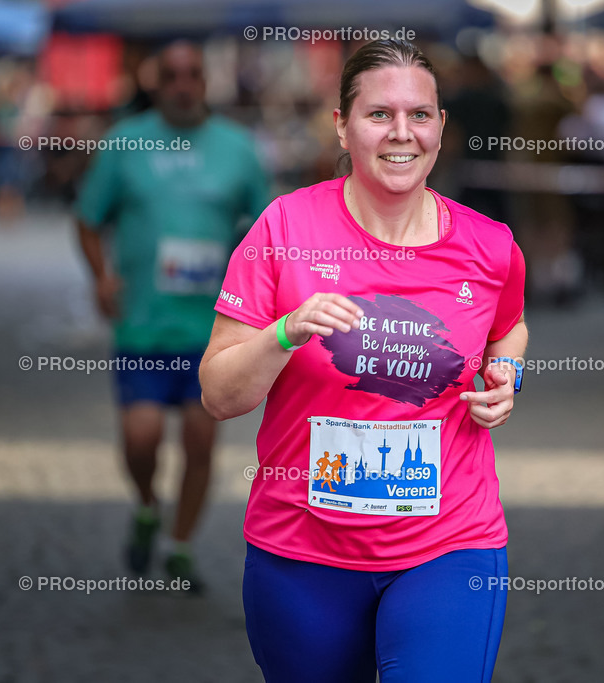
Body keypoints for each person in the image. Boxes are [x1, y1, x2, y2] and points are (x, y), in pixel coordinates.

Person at [199, 39, 528, 682]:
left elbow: (508, 329)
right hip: (303, 551)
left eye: (421, 115)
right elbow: (219, 394)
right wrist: (285, 333)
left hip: (448, 544)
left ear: (441, 128)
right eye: (379, 114)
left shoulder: (491, 246)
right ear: (342, 128)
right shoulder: (284, 229)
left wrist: (508, 374)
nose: (402, 133)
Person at [75, 40, 269, 590]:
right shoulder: (124, 142)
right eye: (172, 76)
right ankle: (145, 505)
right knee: (141, 436)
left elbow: (267, 230)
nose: (183, 85)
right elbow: (87, 219)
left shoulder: (237, 148)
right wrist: (101, 278)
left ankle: (180, 546)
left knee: (201, 444)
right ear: (156, 84)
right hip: (143, 320)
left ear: (205, 83)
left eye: (193, 75)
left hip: (213, 327)